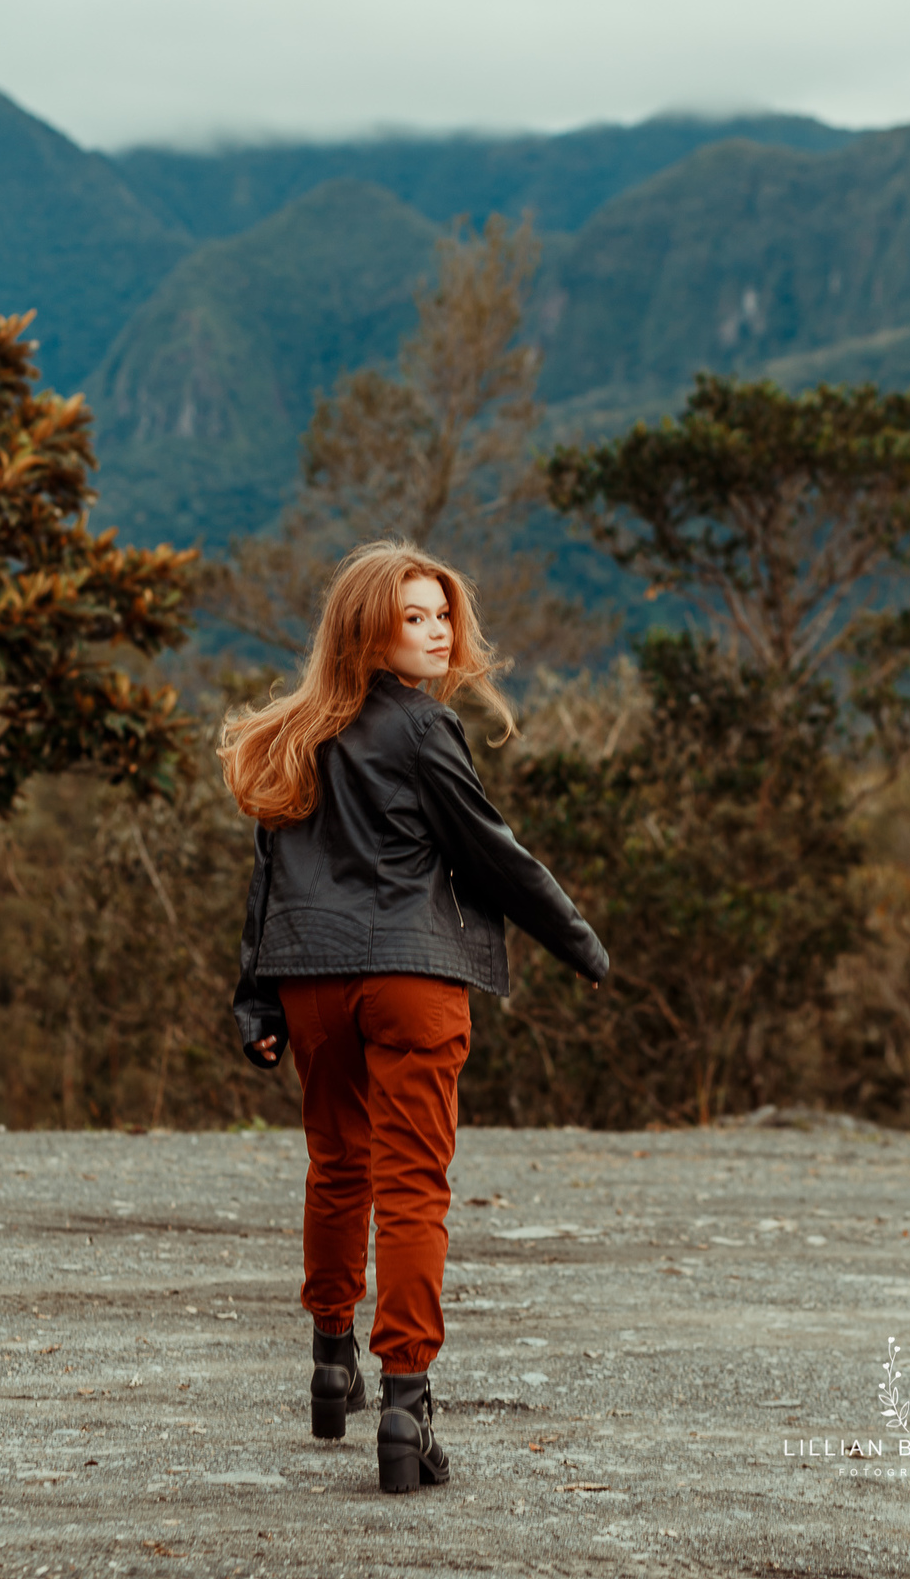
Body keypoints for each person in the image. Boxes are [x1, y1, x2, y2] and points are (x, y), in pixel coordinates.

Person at [217, 540, 608, 1494]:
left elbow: (270, 880)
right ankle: (406, 1405)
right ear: (369, 630)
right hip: (410, 976)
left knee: (337, 1165)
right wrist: (578, 939)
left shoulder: (289, 732)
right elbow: (490, 854)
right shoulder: (425, 731)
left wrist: (255, 995)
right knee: (413, 1184)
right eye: (416, 618)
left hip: (310, 979)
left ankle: (329, 1362)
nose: (438, 634)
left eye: (442, 616)